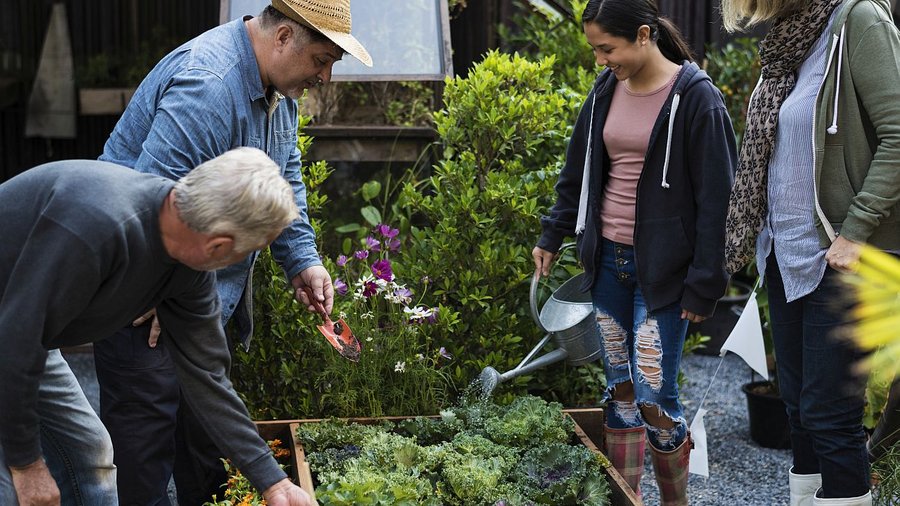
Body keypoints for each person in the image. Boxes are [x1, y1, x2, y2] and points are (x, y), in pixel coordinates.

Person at [94, 0, 372, 503]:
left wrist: (302, 260)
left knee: (202, 448)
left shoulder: (278, 91)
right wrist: (156, 287)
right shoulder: (208, 85)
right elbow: (150, 195)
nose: (326, 77)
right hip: (143, 304)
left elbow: (284, 178)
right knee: (143, 462)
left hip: (194, 298)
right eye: (321, 60)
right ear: (284, 37)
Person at [0, 148, 315, 506]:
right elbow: (13, 347)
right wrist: (27, 466)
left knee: (89, 455)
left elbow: (207, 377)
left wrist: (274, 483)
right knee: (12, 490)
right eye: (248, 252)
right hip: (12, 337)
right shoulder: (98, 228)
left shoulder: (188, 268)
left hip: (22, 333)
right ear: (219, 245)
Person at [533, 0, 736, 503]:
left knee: (653, 399)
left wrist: (706, 283)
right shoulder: (606, 90)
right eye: (596, 49)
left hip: (663, 275)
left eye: (607, 48)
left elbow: (719, 201)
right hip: (607, 266)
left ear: (644, 35)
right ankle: (629, 498)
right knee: (620, 392)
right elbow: (576, 170)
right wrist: (552, 234)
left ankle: (674, 501)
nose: (601, 60)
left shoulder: (696, 99)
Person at [720, 0, 900, 503]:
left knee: (830, 412)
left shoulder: (858, 21)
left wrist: (857, 229)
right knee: (798, 408)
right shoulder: (789, 39)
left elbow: (898, 133)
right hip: (786, 252)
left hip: (846, 255)